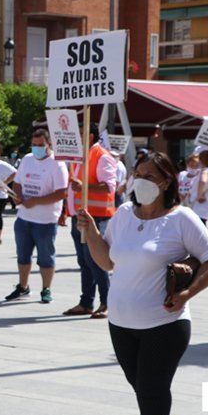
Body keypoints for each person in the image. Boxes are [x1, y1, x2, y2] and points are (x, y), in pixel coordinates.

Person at [78, 151, 208, 415]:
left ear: (168, 181)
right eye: (138, 173)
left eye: (150, 175)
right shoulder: (125, 213)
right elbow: (108, 262)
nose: (141, 180)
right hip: (121, 323)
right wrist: (90, 233)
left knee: (153, 389)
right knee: (142, 387)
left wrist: (188, 294)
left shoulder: (181, 218)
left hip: (165, 324)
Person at [6, 130, 68, 303]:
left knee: (46, 258)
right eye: (34, 145)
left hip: (46, 221)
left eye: (41, 145)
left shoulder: (58, 164)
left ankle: (46, 289)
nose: (37, 148)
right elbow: (17, 183)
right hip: (24, 218)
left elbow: (62, 193)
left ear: (49, 145)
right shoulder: (27, 159)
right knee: (23, 256)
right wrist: (16, 196)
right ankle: (23, 286)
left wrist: (37, 201)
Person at [63, 123, 118, 319]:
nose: (74, 139)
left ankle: (107, 302)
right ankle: (86, 302)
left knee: (97, 261)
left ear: (91, 136)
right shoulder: (78, 157)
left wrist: (83, 186)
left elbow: (109, 187)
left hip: (98, 217)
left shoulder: (102, 156)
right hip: (79, 216)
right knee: (84, 261)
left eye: (79, 135)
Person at [188, 149, 208, 226]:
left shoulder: (204, 171)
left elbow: (203, 181)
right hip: (207, 203)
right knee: (201, 226)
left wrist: (199, 195)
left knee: (199, 227)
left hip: (199, 205)